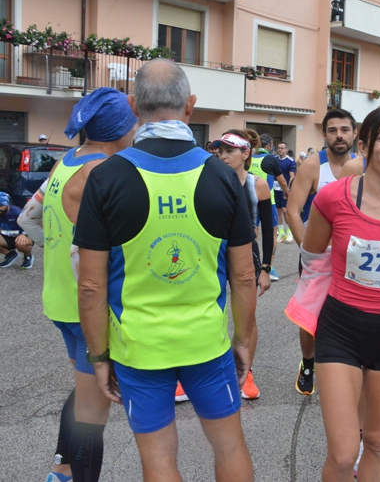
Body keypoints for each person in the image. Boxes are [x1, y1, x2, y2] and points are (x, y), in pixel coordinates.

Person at [74, 59, 257, 481]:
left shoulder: (105, 177)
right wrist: (244, 339)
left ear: (133, 106)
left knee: (157, 459)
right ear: (190, 105)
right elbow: (245, 275)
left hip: (138, 349)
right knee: (229, 445)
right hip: (207, 343)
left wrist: (98, 355)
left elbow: (90, 286)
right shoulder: (223, 175)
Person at [290, 106, 380, 481]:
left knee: (376, 443)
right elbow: (313, 257)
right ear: (365, 146)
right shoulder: (333, 198)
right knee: (343, 454)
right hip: (340, 330)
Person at [18, 88, 137, 482]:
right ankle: (67, 474)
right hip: (88, 310)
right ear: (120, 128)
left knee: (85, 393)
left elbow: (27, 219)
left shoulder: (65, 162)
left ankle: (61, 469)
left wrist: (51, 246)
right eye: (133, 124)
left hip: (59, 302)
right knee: (93, 416)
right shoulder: (102, 172)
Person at [285, 109, 358, 396]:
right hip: (318, 257)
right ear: (325, 134)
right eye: (332, 130)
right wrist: (308, 250)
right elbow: (292, 210)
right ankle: (308, 363)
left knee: (351, 315)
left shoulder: (363, 166)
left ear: (354, 133)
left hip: (352, 258)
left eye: (344, 130)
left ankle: (345, 364)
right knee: (310, 317)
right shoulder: (314, 165)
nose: (339, 135)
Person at [211, 130, 272, 401]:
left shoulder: (257, 184)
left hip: (247, 252)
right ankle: (196, 371)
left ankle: (246, 372)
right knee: (208, 310)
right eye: (220, 151)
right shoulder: (209, 180)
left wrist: (266, 268)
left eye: (230, 151)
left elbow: (268, 229)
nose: (223, 156)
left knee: (245, 316)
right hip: (214, 252)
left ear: (245, 153)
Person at [252, 133, 288, 281]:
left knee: (252, 234)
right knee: (271, 235)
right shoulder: (271, 159)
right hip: (268, 202)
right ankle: (269, 268)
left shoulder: (249, 158)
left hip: (250, 201)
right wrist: (287, 193)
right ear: (268, 146)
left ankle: (252, 266)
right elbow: (282, 181)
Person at [0, 192, 34, 269]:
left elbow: (31, 224)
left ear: (7, 204)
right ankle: (11, 255)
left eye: (1, 206)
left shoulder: (17, 213)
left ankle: (28, 257)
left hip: (24, 234)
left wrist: (24, 234)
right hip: (8, 235)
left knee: (21, 244)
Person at [274, 141, 296, 243]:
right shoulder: (274, 159)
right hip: (275, 189)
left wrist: (288, 189)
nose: (280, 150)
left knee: (285, 210)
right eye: (278, 148)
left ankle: (290, 232)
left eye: (282, 148)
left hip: (285, 189)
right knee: (278, 210)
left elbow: (292, 176)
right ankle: (281, 232)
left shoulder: (290, 161)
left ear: (286, 149)